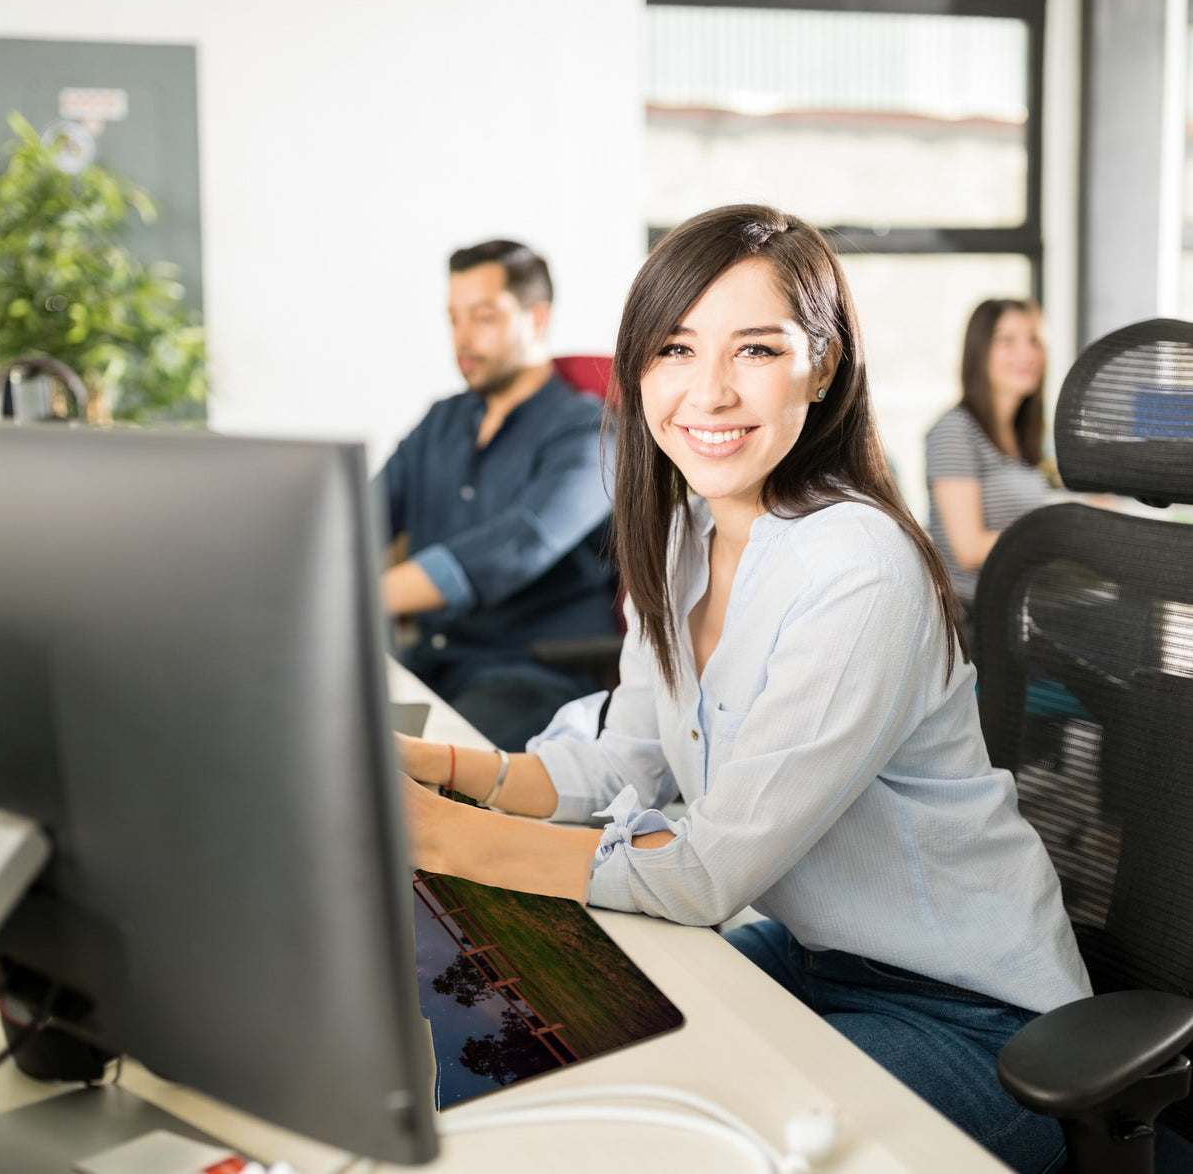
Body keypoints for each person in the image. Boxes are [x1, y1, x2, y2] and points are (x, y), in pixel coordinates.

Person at [397, 206, 1090, 1174]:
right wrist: (420, 766)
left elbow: (703, 869)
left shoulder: (859, 567)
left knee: (685, 1153)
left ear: (821, 364)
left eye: (755, 348)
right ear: (637, 368)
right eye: (674, 348)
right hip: (811, 958)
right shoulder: (684, 532)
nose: (708, 390)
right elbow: (617, 757)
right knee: (546, 1050)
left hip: (974, 1017)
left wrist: (429, 834)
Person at [377, 239, 618, 750]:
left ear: (536, 318)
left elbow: (519, 545)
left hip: (532, 674)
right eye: (453, 319)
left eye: (482, 317)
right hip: (433, 662)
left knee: (413, 777)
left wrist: (360, 596)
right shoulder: (440, 421)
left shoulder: (591, 433)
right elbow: (354, 521)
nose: (461, 338)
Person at [925, 298, 1061, 639]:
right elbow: (968, 549)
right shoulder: (954, 430)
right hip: (977, 619)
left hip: (1021, 609)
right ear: (979, 350)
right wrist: (1064, 529)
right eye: (1007, 340)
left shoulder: (1023, 439)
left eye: (1034, 340)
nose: (1026, 353)